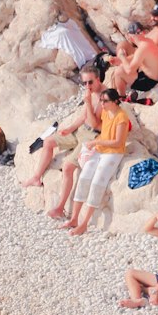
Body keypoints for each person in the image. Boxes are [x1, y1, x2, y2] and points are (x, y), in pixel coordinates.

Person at [21, 65, 103, 209]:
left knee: (68, 167)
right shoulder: (90, 94)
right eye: (84, 83)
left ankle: (60, 207)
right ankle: (36, 177)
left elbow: (94, 123)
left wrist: (88, 102)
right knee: (48, 141)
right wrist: (70, 128)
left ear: (98, 79)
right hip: (82, 130)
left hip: (93, 135)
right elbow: (84, 117)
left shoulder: (104, 97)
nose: (87, 86)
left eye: (90, 82)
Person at [60, 89, 130, 236]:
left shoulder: (122, 117)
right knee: (84, 178)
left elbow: (118, 142)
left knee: (97, 183)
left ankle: (84, 224)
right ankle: (74, 219)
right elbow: (95, 125)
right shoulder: (105, 112)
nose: (102, 104)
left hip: (113, 152)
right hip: (100, 149)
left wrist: (96, 141)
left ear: (115, 101)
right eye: (101, 100)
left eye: (105, 101)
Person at [106, 25, 158, 97]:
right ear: (143, 33)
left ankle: (122, 98)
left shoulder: (141, 49)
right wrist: (119, 60)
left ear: (130, 37)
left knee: (118, 72)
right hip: (155, 75)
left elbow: (129, 70)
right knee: (121, 67)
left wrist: (122, 57)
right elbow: (134, 58)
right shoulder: (147, 42)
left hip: (151, 82)